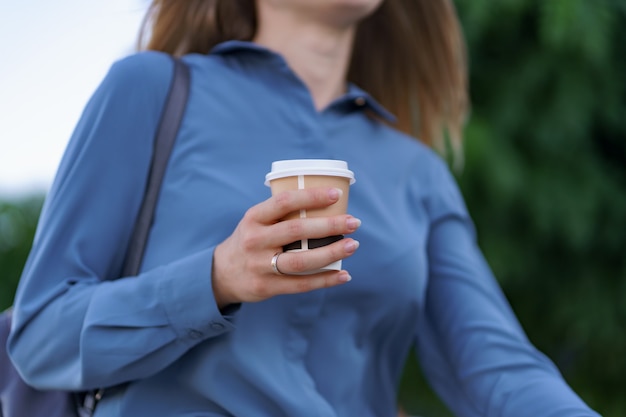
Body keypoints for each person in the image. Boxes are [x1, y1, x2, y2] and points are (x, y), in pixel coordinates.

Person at [8, 0, 600, 416]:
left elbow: (496, 370)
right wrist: (213, 279)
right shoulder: (150, 90)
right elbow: (39, 339)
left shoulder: (418, 173)